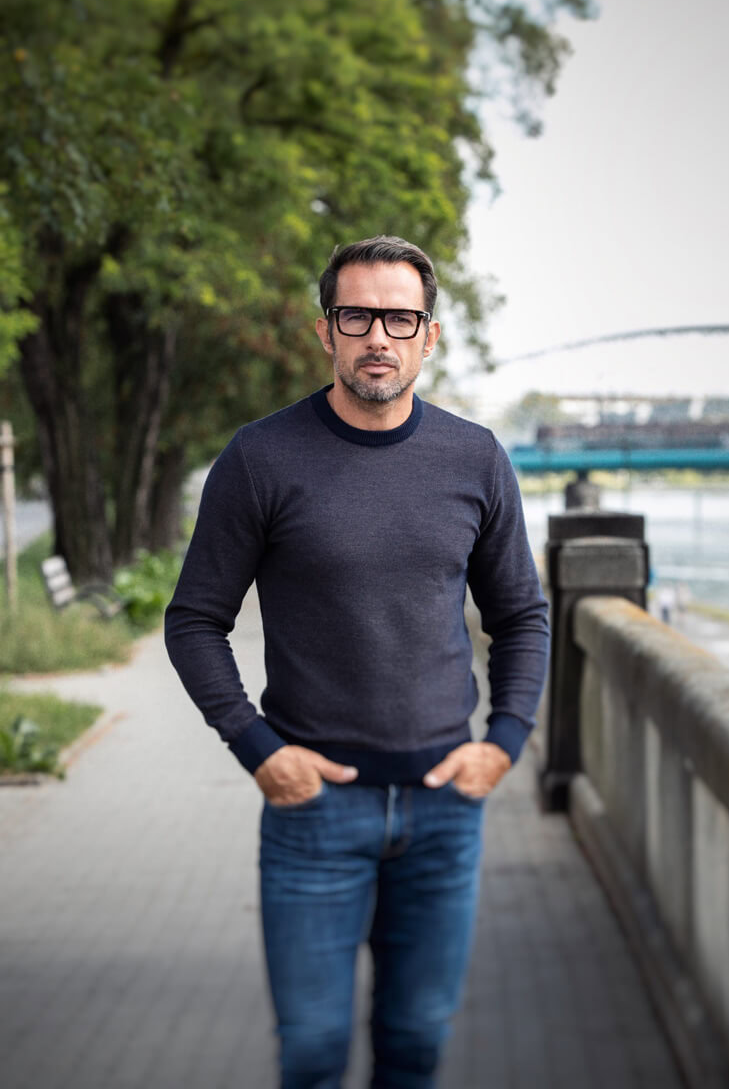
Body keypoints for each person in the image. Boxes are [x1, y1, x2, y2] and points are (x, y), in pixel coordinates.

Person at [165, 235, 550, 1088]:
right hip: (313, 811)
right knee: (311, 1050)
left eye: (400, 319)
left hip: (445, 808)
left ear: (429, 336)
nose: (379, 336)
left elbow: (522, 615)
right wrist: (257, 748)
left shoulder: (476, 458)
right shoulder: (261, 458)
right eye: (357, 316)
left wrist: (505, 741)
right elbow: (194, 621)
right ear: (325, 330)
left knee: (415, 1045)